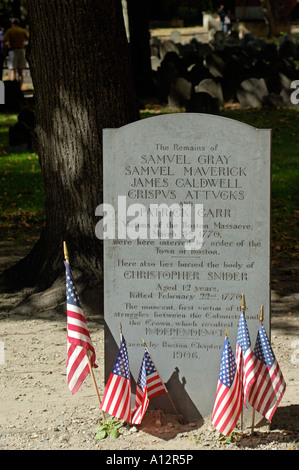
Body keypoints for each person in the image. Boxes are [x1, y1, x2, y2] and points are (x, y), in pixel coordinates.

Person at [2, 18, 29, 88]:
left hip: (12, 51)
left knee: (12, 71)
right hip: (21, 50)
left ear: (12, 24)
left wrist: (7, 47)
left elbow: (3, 40)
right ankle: (20, 88)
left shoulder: (10, 31)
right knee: (20, 72)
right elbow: (28, 38)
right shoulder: (22, 31)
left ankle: (12, 89)